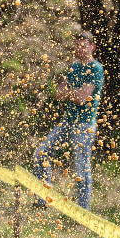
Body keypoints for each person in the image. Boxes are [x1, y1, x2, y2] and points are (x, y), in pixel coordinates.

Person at [32, 30, 103, 210]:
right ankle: (42, 199)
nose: (79, 48)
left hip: (85, 125)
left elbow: (82, 98)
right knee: (40, 154)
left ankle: (82, 210)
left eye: (83, 45)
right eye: (77, 44)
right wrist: (73, 93)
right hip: (67, 122)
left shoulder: (96, 68)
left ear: (92, 47)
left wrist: (69, 94)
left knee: (81, 168)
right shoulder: (73, 68)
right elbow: (58, 94)